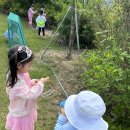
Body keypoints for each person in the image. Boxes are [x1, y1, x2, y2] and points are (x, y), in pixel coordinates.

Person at [5, 45, 49, 130]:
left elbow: (24, 86)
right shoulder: (17, 81)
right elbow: (29, 94)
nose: (31, 66)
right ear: (19, 65)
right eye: (29, 64)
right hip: (22, 113)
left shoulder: (17, 72)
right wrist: (40, 83)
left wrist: (32, 82)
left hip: (23, 107)